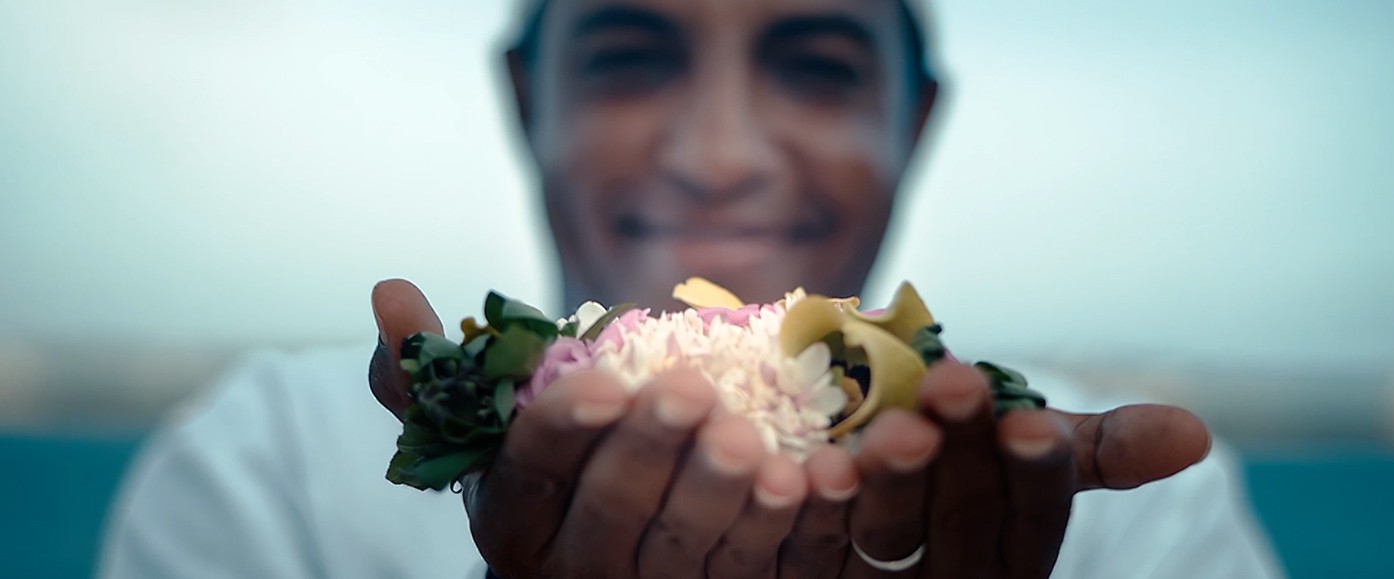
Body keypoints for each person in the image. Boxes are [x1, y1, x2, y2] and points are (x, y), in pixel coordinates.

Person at [101, 1, 1285, 578]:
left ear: (914, 120)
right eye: (630, 56)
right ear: (525, 101)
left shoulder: (1132, 518)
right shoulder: (264, 467)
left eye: (816, 68)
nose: (719, 156)